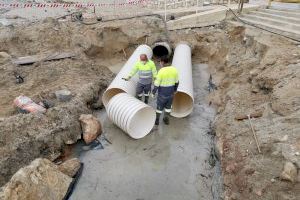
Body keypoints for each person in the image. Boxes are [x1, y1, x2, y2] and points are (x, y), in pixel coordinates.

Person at [151, 57, 179, 125]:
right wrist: (175, 90)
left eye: (160, 62)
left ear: (162, 62)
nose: (160, 63)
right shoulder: (174, 70)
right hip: (171, 93)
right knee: (168, 107)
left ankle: (157, 120)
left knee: (159, 107)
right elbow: (177, 82)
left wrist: (153, 93)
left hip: (162, 93)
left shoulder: (161, 71)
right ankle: (166, 119)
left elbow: (156, 84)